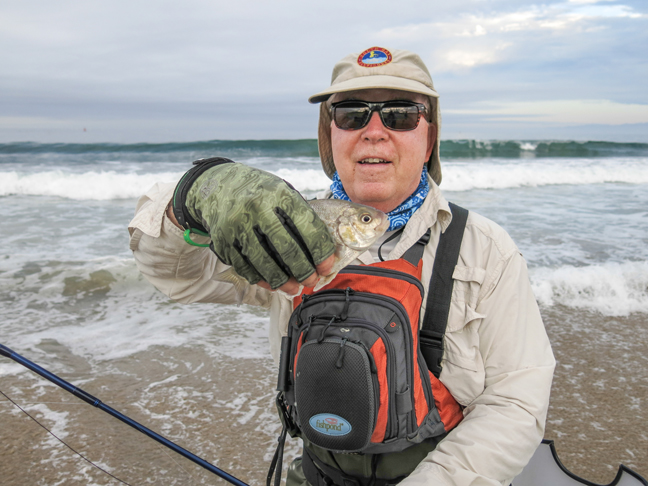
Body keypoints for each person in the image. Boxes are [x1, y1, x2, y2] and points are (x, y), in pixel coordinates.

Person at [128, 47, 555, 486]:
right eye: (351, 114)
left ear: (430, 136)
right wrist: (192, 196)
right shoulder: (277, 232)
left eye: (402, 115)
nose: (374, 131)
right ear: (328, 134)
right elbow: (178, 278)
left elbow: (517, 401)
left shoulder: (486, 249)